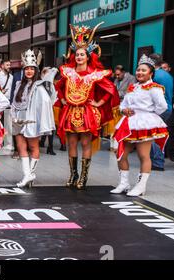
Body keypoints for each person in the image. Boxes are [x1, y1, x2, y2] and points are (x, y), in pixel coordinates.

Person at [54, 23, 120, 190]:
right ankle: (73, 174)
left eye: (82, 54)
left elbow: (110, 89)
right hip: (70, 111)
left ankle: (84, 176)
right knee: (72, 143)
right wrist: (62, 99)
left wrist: (99, 103)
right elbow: (59, 86)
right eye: (77, 54)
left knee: (85, 144)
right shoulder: (67, 72)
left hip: (87, 113)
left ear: (88, 56)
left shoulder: (94, 74)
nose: (79, 57)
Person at [112, 54, 169, 196]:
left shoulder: (155, 88)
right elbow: (123, 104)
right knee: (121, 154)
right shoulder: (132, 87)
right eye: (138, 70)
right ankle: (124, 183)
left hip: (144, 124)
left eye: (144, 70)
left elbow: (162, 106)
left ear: (151, 73)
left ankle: (141, 186)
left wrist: (148, 114)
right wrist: (123, 109)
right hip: (128, 124)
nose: (140, 73)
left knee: (143, 155)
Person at [11, 50, 57, 187]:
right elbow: (14, 102)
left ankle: (29, 175)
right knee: (21, 147)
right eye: (27, 69)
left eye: (32, 69)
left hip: (31, 119)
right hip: (19, 118)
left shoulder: (39, 85)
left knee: (33, 146)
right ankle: (28, 175)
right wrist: (13, 117)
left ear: (36, 70)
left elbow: (46, 102)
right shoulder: (19, 84)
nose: (29, 71)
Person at [148, 54, 173, 171]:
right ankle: (156, 161)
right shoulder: (167, 75)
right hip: (168, 108)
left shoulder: (155, 75)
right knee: (159, 134)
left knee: (153, 135)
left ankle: (157, 162)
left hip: (159, 109)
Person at [0, 59, 15, 151]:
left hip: (8, 103)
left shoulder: (11, 77)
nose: (9, 66)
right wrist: (1, 91)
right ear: (2, 66)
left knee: (8, 124)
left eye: (9, 65)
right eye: (7, 65)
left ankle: (9, 143)